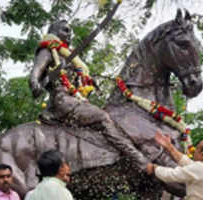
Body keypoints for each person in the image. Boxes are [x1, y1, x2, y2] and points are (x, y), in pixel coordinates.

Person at [29, 20, 148, 170]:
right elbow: (35, 74)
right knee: (102, 117)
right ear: (54, 32)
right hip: (63, 102)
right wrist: (35, 84)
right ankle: (137, 158)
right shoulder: (48, 50)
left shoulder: (70, 56)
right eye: (65, 30)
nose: (69, 34)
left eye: (70, 31)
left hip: (76, 100)